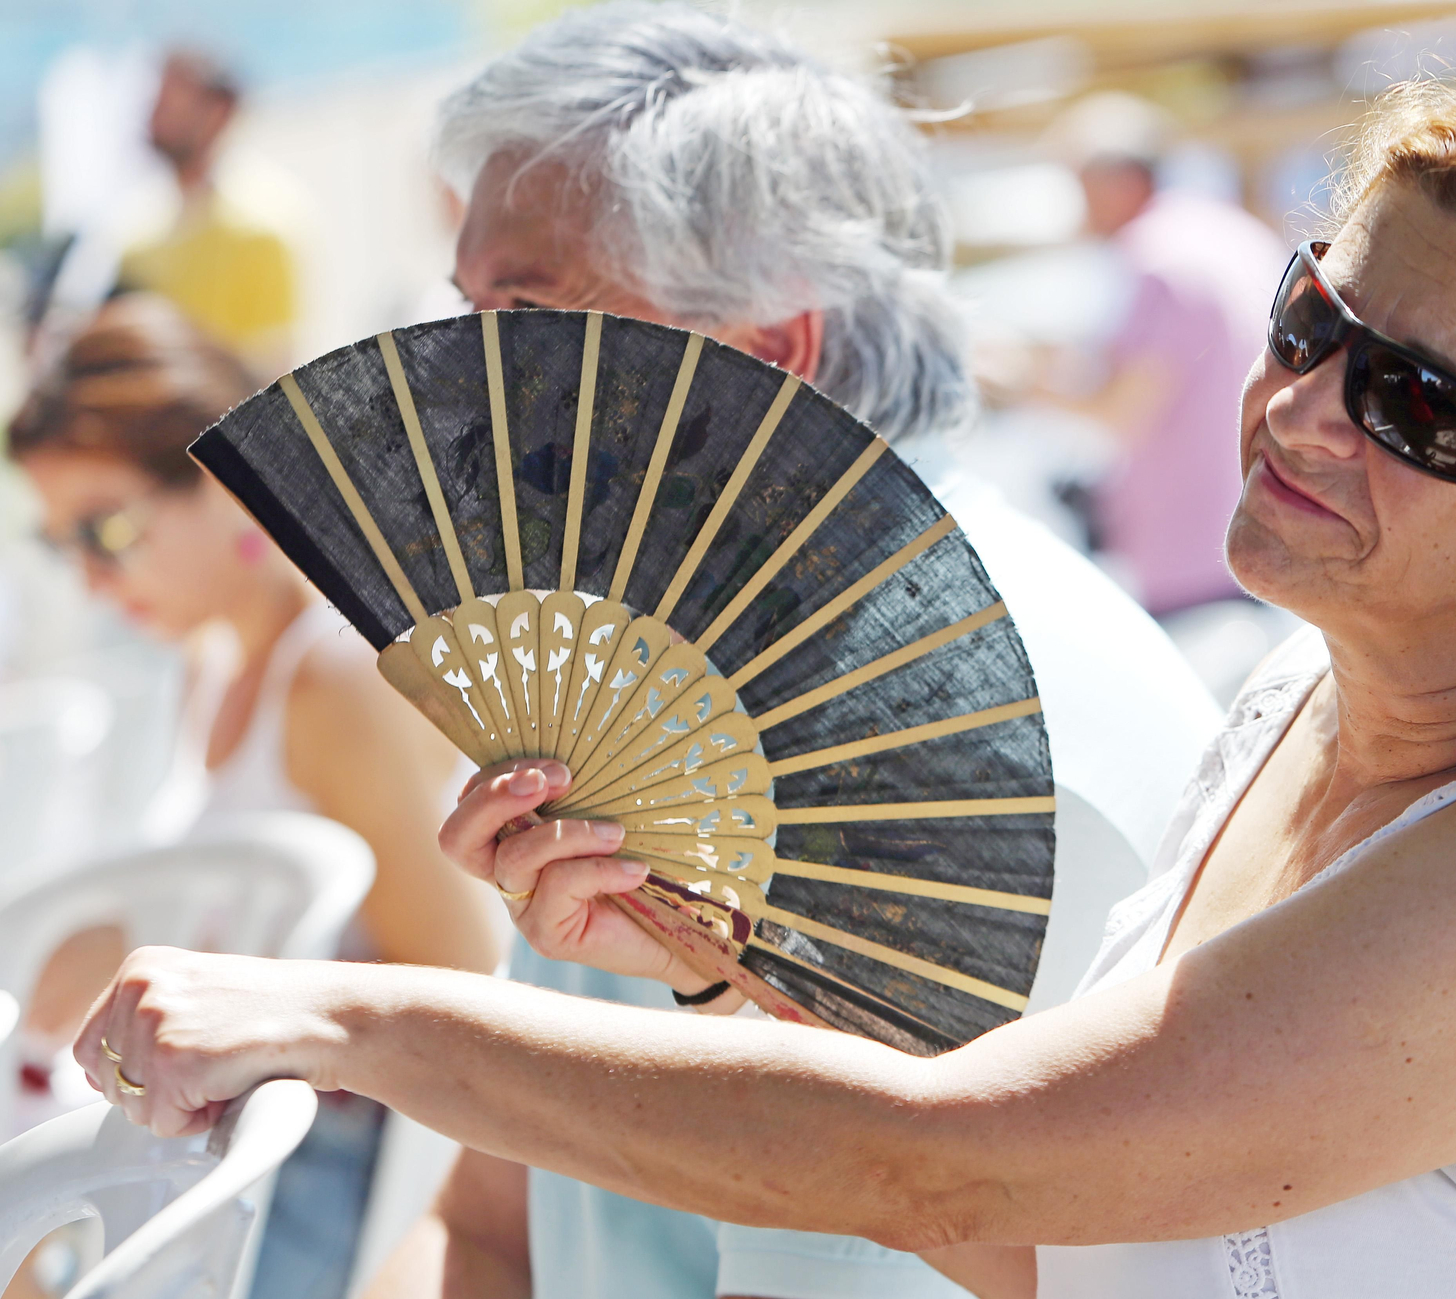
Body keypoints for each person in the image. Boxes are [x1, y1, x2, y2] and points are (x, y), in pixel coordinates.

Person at [77, 80, 1456, 1299]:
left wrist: (337, 1015)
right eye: (1314, 319)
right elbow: (1068, 1234)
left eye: (1420, 404)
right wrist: (733, 959)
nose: (1299, 406)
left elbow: (951, 1176)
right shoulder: (1290, 719)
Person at [387, 6, 1220, 1298]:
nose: (457, 381)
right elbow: (490, 1217)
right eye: (467, 309)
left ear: (761, 353)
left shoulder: (943, 730)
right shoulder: (654, 660)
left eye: (524, 311)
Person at [8, 293, 501, 1299]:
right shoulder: (216, 659)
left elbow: (471, 978)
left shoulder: (328, 678)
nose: (94, 581)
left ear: (224, 485)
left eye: (106, 531)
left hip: (307, 1174)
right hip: (224, 1141)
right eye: (64, 547)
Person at [1032, 92, 1288, 617]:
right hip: (1266, 534)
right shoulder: (1230, 231)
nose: (1079, 208)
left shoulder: (1157, 257)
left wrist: (1020, 386)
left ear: (1117, 182)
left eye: (1080, 187)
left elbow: (1121, 406)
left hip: (1195, 559)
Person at [119, 50, 299, 376]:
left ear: (219, 111)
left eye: (169, 100)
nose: (154, 114)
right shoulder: (133, 238)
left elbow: (268, 375)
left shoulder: (261, 230)